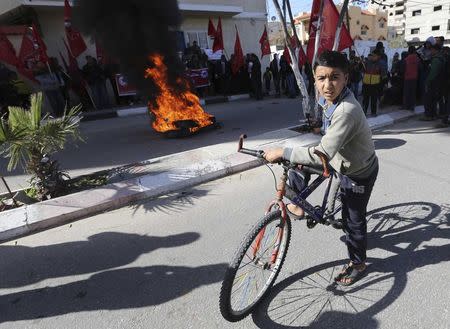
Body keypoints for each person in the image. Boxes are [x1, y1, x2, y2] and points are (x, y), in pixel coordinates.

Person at [264, 50, 378, 286]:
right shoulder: (326, 98)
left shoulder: (347, 110)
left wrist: (282, 151)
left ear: (346, 78)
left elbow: (321, 155)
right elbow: (326, 134)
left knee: (353, 220)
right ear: (314, 79)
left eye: (334, 77)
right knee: (297, 165)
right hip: (337, 155)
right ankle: (297, 204)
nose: (327, 85)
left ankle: (358, 264)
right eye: (321, 78)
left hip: (358, 171)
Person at [421, 44, 445, 120]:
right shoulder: (442, 58)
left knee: (428, 99)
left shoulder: (436, 60)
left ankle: (429, 115)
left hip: (433, 82)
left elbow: (433, 73)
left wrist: (427, 81)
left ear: (436, 50)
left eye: (432, 50)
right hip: (439, 82)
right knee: (434, 99)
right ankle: (433, 115)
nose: (431, 51)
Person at [362, 50, 385, 116]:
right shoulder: (367, 62)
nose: (372, 57)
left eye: (374, 56)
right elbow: (361, 70)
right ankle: (364, 112)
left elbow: (383, 75)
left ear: (378, 56)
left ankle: (373, 112)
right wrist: (361, 64)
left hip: (375, 85)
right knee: (365, 99)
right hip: (366, 84)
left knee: (373, 100)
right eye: (372, 55)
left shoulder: (381, 64)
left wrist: (382, 85)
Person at [403, 46, 419, 111]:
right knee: (413, 92)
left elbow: (404, 68)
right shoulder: (417, 58)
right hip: (415, 77)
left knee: (407, 92)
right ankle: (412, 106)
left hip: (407, 77)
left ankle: (406, 106)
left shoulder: (406, 59)